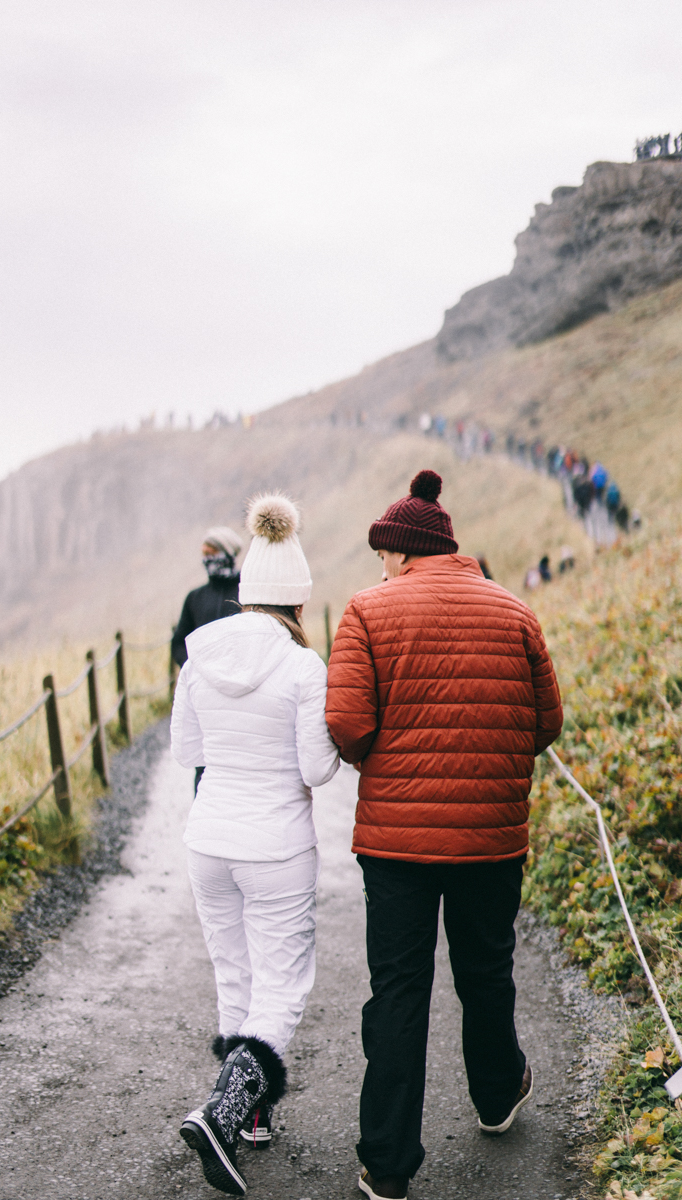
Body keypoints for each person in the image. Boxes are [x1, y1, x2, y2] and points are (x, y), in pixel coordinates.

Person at [325, 469, 563, 1200]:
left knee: (398, 990)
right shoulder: (515, 611)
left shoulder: (366, 613)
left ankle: (388, 1165)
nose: (381, 566)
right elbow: (547, 722)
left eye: (384, 552)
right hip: (490, 839)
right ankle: (496, 1097)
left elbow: (347, 726)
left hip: (395, 846)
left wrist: (388, 758)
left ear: (405, 551)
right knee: (486, 972)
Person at [171, 493, 340, 1197]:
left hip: (208, 839)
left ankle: (252, 1115)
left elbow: (187, 749)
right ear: (297, 602)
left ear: (245, 592)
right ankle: (222, 1111)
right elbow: (314, 769)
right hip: (275, 844)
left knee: (234, 975)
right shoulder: (304, 669)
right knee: (282, 985)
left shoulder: (199, 657)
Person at [172, 526, 243, 794]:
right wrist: (194, 669)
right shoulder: (195, 598)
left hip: (242, 692)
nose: (207, 559)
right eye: (204, 554)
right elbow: (179, 641)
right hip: (204, 697)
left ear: (226, 554)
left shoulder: (247, 592)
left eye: (212, 553)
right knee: (204, 760)